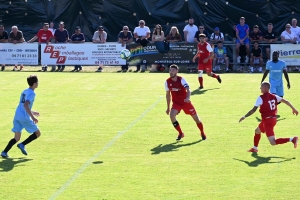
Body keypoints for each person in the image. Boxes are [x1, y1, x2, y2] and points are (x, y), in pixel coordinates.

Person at [239, 82, 298, 153]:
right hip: (272, 119)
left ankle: (292, 139)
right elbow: (285, 101)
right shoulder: (274, 96)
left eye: (261, 87)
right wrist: (293, 109)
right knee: (257, 131)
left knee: (273, 142)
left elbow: (253, 110)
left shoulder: (261, 98)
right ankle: (255, 148)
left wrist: (244, 116)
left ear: (265, 88)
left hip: (268, 121)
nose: (260, 88)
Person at [1, 75, 41, 158]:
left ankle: (4, 152)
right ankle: (22, 144)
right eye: (37, 82)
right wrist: (33, 117)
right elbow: (26, 105)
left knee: (16, 137)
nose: (38, 83)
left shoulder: (24, 91)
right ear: (34, 83)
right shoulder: (32, 93)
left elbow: (22, 105)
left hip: (17, 116)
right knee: (37, 133)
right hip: (24, 117)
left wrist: (33, 112)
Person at [165, 64, 206, 141]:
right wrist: (168, 108)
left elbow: (188, 89)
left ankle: (202, 133)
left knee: (197, 119)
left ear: (177, 71)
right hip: (176, 103)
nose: (171, 72)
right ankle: (180, 133)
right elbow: (168, 95)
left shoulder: (181, 80)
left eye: (173, 70)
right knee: (172, 116)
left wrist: (187, 98)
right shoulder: (167, 82)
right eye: (170, 70)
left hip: (185, 102)